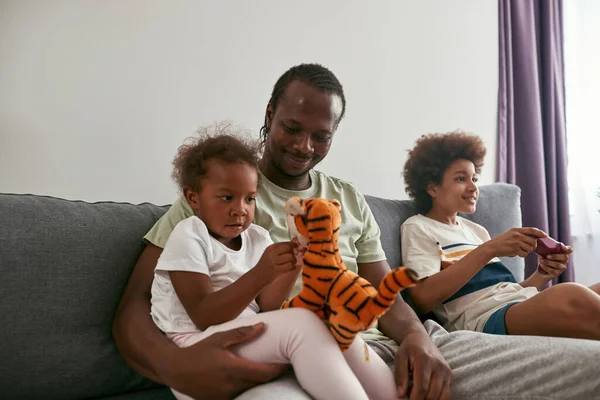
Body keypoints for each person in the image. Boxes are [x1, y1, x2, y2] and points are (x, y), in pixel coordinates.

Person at [113, 63, 600, 400]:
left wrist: (417, 339)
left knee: (586, 369)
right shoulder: (217, 194)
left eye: (321, 135)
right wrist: (174, 366)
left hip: (390, 346)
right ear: (269, 117)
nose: (304, 145)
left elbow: (388, 294)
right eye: (291, 127)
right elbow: (135, 304)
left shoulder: (347, 198)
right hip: (292, 356)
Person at [150, 131, 399, 400]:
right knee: (301, 323)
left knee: (331, 322)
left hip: (246, 337)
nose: (240, 209)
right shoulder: (189, 235)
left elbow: (268, 306)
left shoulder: (258, 237)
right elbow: (203, 315)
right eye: (226, 198)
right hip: (199, 350)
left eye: (249, 199)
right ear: (193, 198)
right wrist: (260, 275)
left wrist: (293, 265)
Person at [401, 131, 600, 339]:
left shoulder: (475, 231)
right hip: (483, 319)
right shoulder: (418, 227)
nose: (473, 188)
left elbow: (504, 292)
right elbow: (422, 299)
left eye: (474, 178)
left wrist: (542, 274)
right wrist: (489, 249)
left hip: (515, 304)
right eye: (461, 178)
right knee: (569, 293)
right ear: (432, 188)